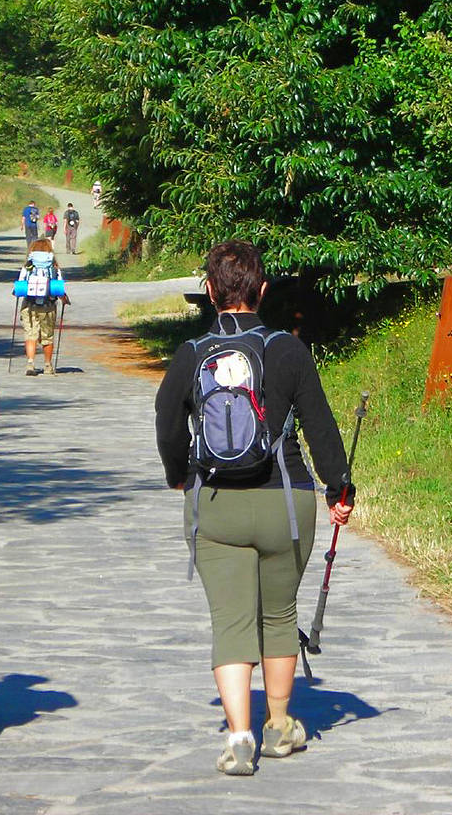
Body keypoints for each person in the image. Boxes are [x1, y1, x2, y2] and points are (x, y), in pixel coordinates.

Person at [154, 240, 351, 777]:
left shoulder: (192, 353)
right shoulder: (288, 350)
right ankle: (280, 726)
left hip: (214, 504)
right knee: (279, 614)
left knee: (231, 621)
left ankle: (239, 737)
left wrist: (179, 475)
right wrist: (340, 488)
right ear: (262, 291)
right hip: (284, 503)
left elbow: (167, 419)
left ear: (211, 292)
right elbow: (320, 426)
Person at [16, 238, 68, 376]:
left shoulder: (28, 265)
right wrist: (64, 300)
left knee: (30, 335)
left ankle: (30, 363)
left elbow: (20, 285)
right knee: (47, 337)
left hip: (29, 304)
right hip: (48, 306)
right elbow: (59, 288)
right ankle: (47, 365)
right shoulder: (54, 266)